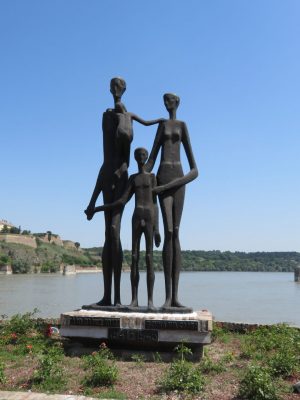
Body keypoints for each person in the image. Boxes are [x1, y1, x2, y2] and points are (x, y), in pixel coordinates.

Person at [85, 77, 163, 307]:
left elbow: (126, 137)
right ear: (109, 88)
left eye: (119, 87)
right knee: (108, 236)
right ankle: (108, 296)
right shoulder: (105, 116)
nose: (115, 90)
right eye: (112, 87)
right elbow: (104, 164)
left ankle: (119, 298)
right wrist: (92, 203)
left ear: (124, 90)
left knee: (113, 230)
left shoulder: (126, 118)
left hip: (120, 177)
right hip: (106, 174)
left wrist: (123, 113)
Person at [145, 93, 198, 309]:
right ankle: (167, 297)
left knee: (176, 232)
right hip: (163, 176)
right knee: (167, 232)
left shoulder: (182, 126)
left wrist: (170, 186)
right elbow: (151, 159)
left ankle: (175, 297)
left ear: (177, 103)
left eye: (171, 100)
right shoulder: (161, 126)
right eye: (164, 100)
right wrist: (136, 179)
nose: (167, 103)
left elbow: (195, 169)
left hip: (178, 181)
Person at [93, 147, 161, 310]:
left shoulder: (152, 178)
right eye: (138, 155)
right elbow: (121, 201)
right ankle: (134, 299)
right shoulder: (132, 179)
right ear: (135, 158)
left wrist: (157, 229)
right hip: (136, 217)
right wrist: (98, 208)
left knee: (149, 258)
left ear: (146, 157)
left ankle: (150, 300)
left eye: (143, 154)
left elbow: (155, 203)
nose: (141, 157)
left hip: (149, 216)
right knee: (134, 257)